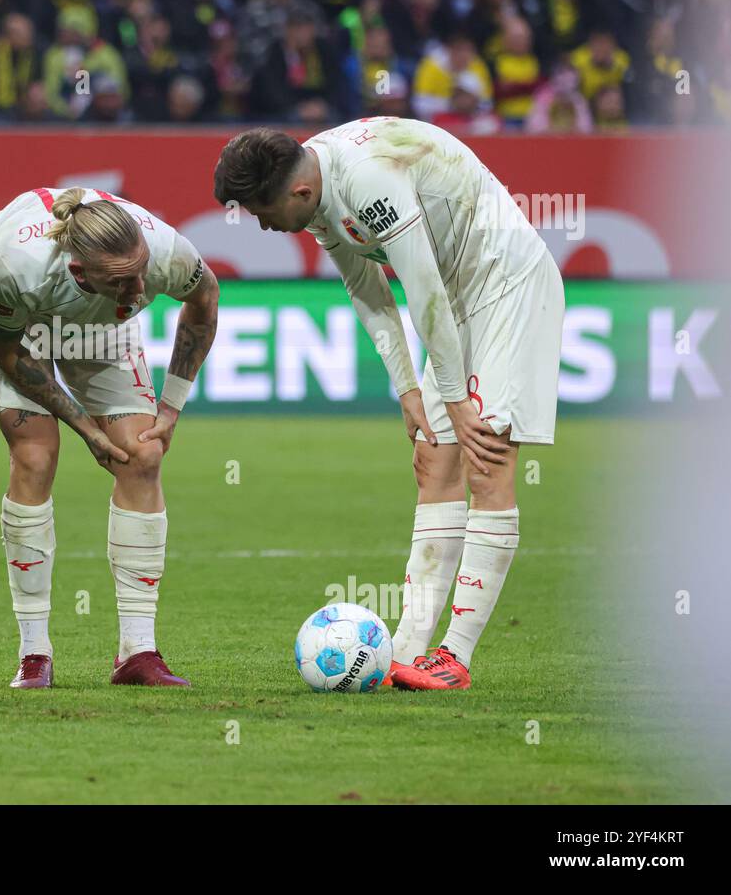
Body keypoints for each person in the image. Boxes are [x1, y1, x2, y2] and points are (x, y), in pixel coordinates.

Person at [212, 118, 564, 690]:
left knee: (487, 456)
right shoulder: (319, 194)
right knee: (433, 461)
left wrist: (452, 400)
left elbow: (419, 284)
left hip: (507, 283)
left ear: (298, 192)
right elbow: (368, 289)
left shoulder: (366, 179)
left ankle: (456, 653)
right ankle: (405, 650)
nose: (263, 224)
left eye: (261, 210)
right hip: (455, 299)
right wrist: (407, 388)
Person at [0, 187, 219, 689]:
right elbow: (8, 350)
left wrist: (171, 405)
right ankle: (34, 654)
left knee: (142, 454)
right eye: (124, 280)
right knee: (36, 456)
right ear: (81, 271)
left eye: (142, 272)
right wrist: (84, 427)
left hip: (101, 325)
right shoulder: (16, 268)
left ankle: (138, 653)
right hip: (19, 327)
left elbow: (204, 298)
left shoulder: (160, 252)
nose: (140, 290)